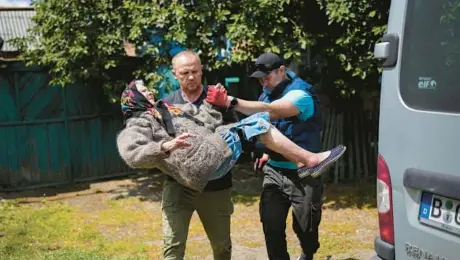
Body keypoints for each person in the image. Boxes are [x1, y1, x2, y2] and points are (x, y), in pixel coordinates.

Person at [206, 52, 340, 260]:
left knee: (306, 227)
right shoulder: (266, 93)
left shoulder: (301, 94)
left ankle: (308, 252)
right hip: (274, 171)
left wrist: (230, 101)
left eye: (266, 78)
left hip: (303, 174)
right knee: (271, 226)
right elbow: (269, 128)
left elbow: (273, 112)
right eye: (260, 80)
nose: (263, 84)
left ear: (282, 71)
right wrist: (268, 154)